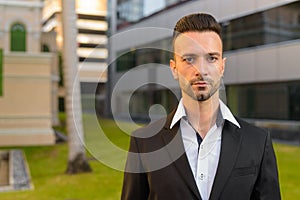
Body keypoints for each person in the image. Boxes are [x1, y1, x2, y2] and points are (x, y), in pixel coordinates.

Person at [121, 13, 281, 200]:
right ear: (174, 68)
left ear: (222, 66)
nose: (201, 70)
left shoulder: (258, 142)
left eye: (211, 58)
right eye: (189, 59)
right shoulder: (144, 143)